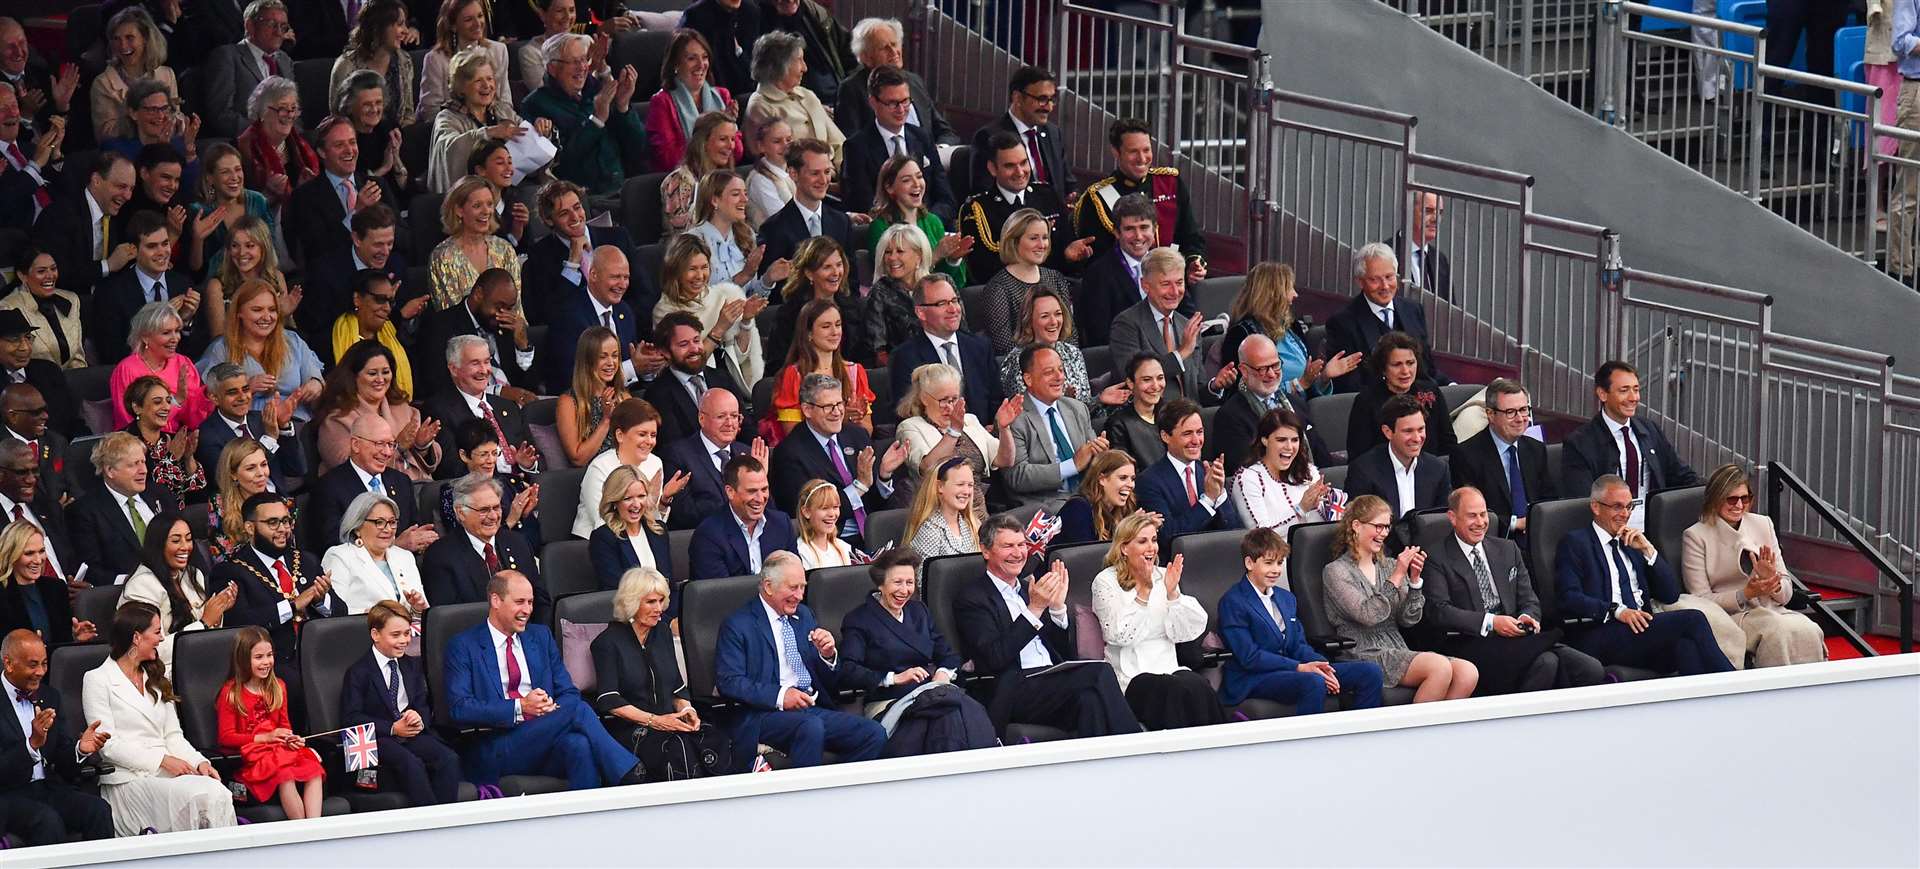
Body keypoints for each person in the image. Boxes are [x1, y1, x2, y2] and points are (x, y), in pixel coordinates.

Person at [443, 570, 646, 789]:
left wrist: (548, 708)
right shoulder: (464, 645)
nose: (527, 610)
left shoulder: (540, 637)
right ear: (495, 600)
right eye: (520, 602)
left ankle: (586, 820)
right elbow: (460, 709)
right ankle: (629, 775)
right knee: (579, 711)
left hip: (544, 737)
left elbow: (568, 692)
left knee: (579, 745)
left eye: (530, 602)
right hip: (497, 745)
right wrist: (521, 706)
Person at [952, 514, 1139, 739]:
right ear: (986, 550)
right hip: (1013, 687)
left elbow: (1062, 653)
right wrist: (1035, 609)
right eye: (1008, 546)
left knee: (1090, 702)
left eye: (1021, 545)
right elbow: (993, 658)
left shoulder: (1026, 590)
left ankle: (1098, 771)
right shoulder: (973, 597)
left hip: (1052, 680)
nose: (1018, 553)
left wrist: (1058, 609)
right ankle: (1138, 745)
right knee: (1100, 671)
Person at [714, 551, 886, 769]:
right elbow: (729, 681)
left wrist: (828, 656)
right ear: (768, 586)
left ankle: (835, 795)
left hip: (810, 708)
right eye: (793, 587)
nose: (800, 595)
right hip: (764, 714)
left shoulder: (804, 615)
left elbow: (831, 680)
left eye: (803, 587)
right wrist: (781, 695)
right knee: (810, 726)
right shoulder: (738, 624)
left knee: (873, 734)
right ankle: (804, 802)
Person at [1424, 487, 1605, 694]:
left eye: (1483, 515)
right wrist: (1492, 622)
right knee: (1547, 663)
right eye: (1472, 516)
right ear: (1452, 518)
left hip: (1517, 637)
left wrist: (1527, 616)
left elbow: (1529, 599)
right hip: (1472, 642)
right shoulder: (1436, 556)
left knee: (1590, 669)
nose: (1481, 522)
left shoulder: (1508, 549)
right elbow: (1439, 611)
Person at [1554, 476, 1736, 676]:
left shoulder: (1632, 544)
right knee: (1693, 619)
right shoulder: (1575, 543)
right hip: (1602, 632)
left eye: (1629, 507)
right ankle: (1735, 683)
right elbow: (1568, 598)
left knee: (1686, 648)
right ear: (1596, 507)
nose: (1625, 514)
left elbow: (1670, 594)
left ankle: (1703, 705)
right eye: (1617, 507)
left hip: (1641, 630)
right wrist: (1616, 611)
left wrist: (1649, 551)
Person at [82, 601, 236, 835]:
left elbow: (173, 736)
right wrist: (162, 760)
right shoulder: (96, 679)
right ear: (136, 637)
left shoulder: (154, 676)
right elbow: (109, 747)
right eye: (156, 632)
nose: (162, 638)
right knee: (200, 796)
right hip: (128, 780)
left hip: (168, 773)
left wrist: (199, 762)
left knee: (217, 791)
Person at [1323, 494, 1479, 702]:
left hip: (1396, 646)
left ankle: (1437, 732)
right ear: (1357, 526)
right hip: (1361, 650)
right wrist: (1397, 576)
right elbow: (1368, 615)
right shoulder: (1336, 571)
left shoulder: (1389, 565)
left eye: (1387, 527)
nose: (1383, 533)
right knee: (1439, 667)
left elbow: (1408, 619)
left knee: (1467, 672)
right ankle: (1417, 733)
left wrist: (1414, 582)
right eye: (1378, 526)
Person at [1217, 528, 1385, 715]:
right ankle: (1311, 743)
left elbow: (1298, 645)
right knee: (1313, 681)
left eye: (1279, 563)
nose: (1276, 570)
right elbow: (1250, 657)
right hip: (1253, 677)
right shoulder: (1233, 601)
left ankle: (1358, 739)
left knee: (1370, 672)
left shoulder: (1286, 598)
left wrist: (1323, 666)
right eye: (1268, 563)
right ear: (1249, 563)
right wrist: (1299, 667)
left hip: (1292, 670)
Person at [1680, 464, 1826, 668]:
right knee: (1779, 631)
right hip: (1732, 617)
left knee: (1808, 628)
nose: (1739, 505)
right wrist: (1746, 593)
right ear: (1715, 499)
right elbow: (1700, 599)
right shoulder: (1696, 536)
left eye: (1745, 499)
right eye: (1731, 499)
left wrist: (1772, 582)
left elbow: (1786, 593)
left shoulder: (1763, 524)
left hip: (1772, 608)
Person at [592, 567, 731, 778]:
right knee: (678, 747)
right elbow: (609, 700)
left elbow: (677, 687)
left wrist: (687, 712)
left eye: (661, 601)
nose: (659, 608)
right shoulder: (607, 642)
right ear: (632, 602)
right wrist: (656, 721)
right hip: (631, 730)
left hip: (670, 723)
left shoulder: (662, 632)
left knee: (714, 737)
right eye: (651, 602)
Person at [1090, 513, 1224, 730]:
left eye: (1153, 540)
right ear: (1124, 548)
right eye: (1142, 541)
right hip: (1131, 676)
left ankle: (1220, 748)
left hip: (1170, 668)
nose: (1151, 547)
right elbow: (1118, 635)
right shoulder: (1106, 581)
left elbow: (1184, 634)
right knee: (1172, 689)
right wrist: (1143, 592)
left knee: (1198, 685)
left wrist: (1173, 595)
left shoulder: (1164, 576)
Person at [209, 493, 343, 701]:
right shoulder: (231, 571)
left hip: (320, 654)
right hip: (273, 663)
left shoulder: (306, 560)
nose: (283, 529)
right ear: (250, 528)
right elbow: (240, 625)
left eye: (286, 521)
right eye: (273, 523)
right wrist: (292, 605)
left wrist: (320, 599)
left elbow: (341, 612)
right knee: (296, 684)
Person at [339, 600, 463, 806]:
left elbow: (422, 702)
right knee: (410, 763)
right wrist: (393, 728)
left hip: (410, 734)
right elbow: (351, 717)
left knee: (448, 758)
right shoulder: (359, 672)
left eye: (407, 633)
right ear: (375, 635)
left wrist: (418, 717)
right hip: (379, 738)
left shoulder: (411, 665)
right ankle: (428, 822)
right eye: (395, 635)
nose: (404, 641)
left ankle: (445, 818)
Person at [0, 629, 115, 845]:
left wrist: (80, 749)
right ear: (9, 663)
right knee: (47, 821)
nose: (41, 672)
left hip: (47, 788)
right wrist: (32, 745)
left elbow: (62, 761)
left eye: (44, 663)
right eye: (33, 665)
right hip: (7, 795)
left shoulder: (49, 696)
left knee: (98, 810)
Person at [767, 373, 903, 552]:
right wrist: (859, 486)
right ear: (807, 410)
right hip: (830, 543)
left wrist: (883, 476)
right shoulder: (790, 453)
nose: (838, 412)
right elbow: (807, 516)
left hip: (874, 537)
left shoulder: (856, 435)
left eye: (840, 404)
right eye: (828, 406)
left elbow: (873, 502)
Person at [1560, 360, 1700, 530]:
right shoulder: (1579, 442)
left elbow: (1681, 475)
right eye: (1624, 391)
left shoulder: (1649, 429)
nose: (1633, 398)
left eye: (1636, 389)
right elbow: (1582, 501)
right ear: (1603, 394)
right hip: (1611, 529)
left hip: (1655, 525)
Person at [216, 626, 325, 818]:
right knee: (285, 775)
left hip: (279, 750)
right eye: (259, 657)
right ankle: (301, 830)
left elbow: (285, 726)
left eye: (269, 655)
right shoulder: (231, 693)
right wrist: (265, 738)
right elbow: (226, 738)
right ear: (243, 659)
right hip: (252, 756)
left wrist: (290, 739)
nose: (266, 662)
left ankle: (314, 829)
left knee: (314, 770)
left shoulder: (279, 686)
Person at [522, 33, 644, 200]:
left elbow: (638, 148)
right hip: (581, 199)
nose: (582, 67)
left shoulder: (599, 91)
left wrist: (623, 106)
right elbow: (562, 164)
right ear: (552, 68)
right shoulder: (535, 105)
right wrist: (596, 120)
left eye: (584, 59)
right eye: (574, 62)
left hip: (620, 189)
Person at [1220, 262, 1357, 409]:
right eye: (1289, 288)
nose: (1295, 294)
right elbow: (1242, 392)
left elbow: (1307, 387)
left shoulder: (1293, 327)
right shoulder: (1241, 335)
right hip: (1265, 419)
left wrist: (1324, 377)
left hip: (1302, 411)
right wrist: (1299, 384)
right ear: (1274, 293)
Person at [1111, 247, 1234, 405]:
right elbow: (1134, 380)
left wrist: (1215, 385)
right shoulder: (1126, 325)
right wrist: (1181, 353)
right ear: (1145, 285)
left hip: (1190, 422)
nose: (1175, 291)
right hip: (1151, 421)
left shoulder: (1187, 326)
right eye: (1166, 284)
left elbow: (1197, 391)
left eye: (1179, 282)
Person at [961, 133, 1086, 288]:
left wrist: (1068, 256)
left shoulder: (1047, 194)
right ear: (993, 168)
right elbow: (984, 271)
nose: (1020, 172)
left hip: (1054, 288)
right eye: (1010, 166)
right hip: (1009, 295)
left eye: (1023, 163)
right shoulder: (978, 210)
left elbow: (1065, 251)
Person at [1074, 119, 1206, 265]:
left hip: (1174, 280)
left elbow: (1191, 237)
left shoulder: (1170, 182)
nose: (1142, 158)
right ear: (1116, 152)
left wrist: (1194, 262)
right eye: (1133, 152)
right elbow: (1098, 260)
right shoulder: (1097, 198)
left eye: (1146, 150)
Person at [894, 362, 1018, 517]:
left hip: (978, 513)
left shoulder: (969, 421)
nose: (950, 407)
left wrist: (1004, 428)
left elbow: (1005, 460)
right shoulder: (910, 427)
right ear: (924, 398)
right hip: (938, 514)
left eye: (954, 399)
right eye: (944, 400)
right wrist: (953, 431)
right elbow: (928, 468)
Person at [423, 474, 549, 622]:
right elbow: (451, 618)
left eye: (496, 508)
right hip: (476, 640)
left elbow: (540, 600)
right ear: (461, 513)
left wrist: (537, 636)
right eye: (484, 510)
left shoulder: (517, 542)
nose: (493, 516)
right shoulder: (440, 556)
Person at [198, 280, 328, 423]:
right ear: (239, 312)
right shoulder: (222, 348)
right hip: (249, 429)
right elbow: (208, 399)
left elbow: (316, 380)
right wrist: (247, 388)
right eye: (257, 310)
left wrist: (316, 385)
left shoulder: (293, 341)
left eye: (272, 310)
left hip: (297, 424)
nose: (267, 317)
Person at [305, 414, 435, 555]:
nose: (387, 452)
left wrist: (422, 540)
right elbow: (332, 546)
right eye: (379, 444)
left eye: (391, 445)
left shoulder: (401, 481)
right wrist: (394, 547)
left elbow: (413, 531)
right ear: (356, 445)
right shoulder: (329, 487)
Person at [651, 233, 766, 393]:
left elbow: (740, 358)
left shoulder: (723, 296)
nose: (700, 276)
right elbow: (686, 363)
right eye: (692, 269)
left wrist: (746, 320)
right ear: (675, 271)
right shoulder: (665, 311)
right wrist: (719, 328)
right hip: (692, 387)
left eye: (704, 267)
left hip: (728, 381)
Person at [842, 66, 957, 225]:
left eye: (905, 101)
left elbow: (946, 199)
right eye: (892, 103)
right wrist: (906, 225)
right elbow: (863, 204)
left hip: (930, 226)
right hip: (890, 233)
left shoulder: (922, 138)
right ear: (873, 102)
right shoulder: (856, 147)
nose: (901, 110)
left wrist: (926, 223)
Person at [1324, 243, 1447, 392]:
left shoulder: (1413, 310)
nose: (1385, 286)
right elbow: (1350, 386)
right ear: (1360, 282)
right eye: (1375, 280)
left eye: (1389, 277)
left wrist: (1452, 387)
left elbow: (1428, 368)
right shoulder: (1342, 323)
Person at [119, 512, 232, 672]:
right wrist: (205, 623)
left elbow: (207, 628)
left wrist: (218, 611)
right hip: (158, 673)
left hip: (199, 662)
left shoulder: (193, 574)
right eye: (176, 540)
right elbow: (145, 649)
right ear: (158, 544)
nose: (185, 547)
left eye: (188, 538)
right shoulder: (141, 586)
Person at [315, 340, 440, 481]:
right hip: (371, 498)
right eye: (372, 373)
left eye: (386, 372)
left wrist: (421, 445)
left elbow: (432, 463)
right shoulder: (337, 420)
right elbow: (351, 471)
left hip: (418, 488)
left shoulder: (403, 409)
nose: (380, 379)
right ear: (353, 377)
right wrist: (397, 448)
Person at [1448, 378, 1552, 545]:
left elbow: (1548, 499)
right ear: (1491, 414)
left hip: (1536, 538)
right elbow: (1469, 512)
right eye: (1510, 412)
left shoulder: (1536, 449)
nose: (1520, 418)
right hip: (1492, 541)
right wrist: (1514, 524)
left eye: (1524, 410)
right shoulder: (1466, 455)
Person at [286, 115, 398, 267]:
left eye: (352, 142)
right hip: (335, 281)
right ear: (322, 152)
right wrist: (356, 212)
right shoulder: (305, 196)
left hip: (380, 273)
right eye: (339, 145)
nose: (349, 150)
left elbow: (405, 239)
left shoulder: (376, 185)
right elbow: (318, 251)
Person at [1003, 343, 1106, 507]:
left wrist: (1100, 455)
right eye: (1049, 372)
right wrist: (1072, 465)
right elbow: (1017, 476)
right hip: (1045, 507)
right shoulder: (1014, 418)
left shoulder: (1077, 408)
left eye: (1061, 370)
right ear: (1028, 379)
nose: (1059, 377)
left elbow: (1092, 462)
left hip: (1088, 498)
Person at [521, 180, 635, 327]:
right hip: (577, 337)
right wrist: (572, 264)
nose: (575, 217)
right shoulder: (539, 257)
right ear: (548, 220)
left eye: (577, 208)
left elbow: (642, 295)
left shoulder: (618, 238)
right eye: (564, 214)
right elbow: (547, 313)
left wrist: (623, 324)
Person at [1209, 334, 1330, 471]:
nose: (1272, 374)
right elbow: (1243, 469)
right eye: (1263, 369)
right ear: (1244, 370)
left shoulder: (1297, 404)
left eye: (1276, 365)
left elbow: (1322, 457)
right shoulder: (1230, 417)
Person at [888, 275, 1001, 419]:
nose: (953, 309)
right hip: (934, 438)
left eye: (955, 301)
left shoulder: (980, 347)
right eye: (942, 303)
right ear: (921, 312)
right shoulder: (905, 357)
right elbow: (908, 412)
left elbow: (996, 399)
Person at [834, 17, 958, 147]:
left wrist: (939, 150)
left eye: (894, 44)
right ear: (866, 57)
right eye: (884, 48)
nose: (894, 52)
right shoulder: (851, 90)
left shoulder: (914, 81)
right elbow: (853, 142)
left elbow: (945, 132)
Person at [418, 269, 540, 400]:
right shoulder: (441, 326)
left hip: (514, 412)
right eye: (499, 306)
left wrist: (523, 347)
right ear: (478, 294)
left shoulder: (507, 326)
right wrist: (498, 392)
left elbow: (529, 387)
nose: (503, 313)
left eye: (509, 308)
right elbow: (440, 385)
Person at [1134, 398, 1240, 548]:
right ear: (1165, 436)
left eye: (1200, 432)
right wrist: (1208, 500)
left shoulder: (1208, 472)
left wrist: (1220, 495)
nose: (1196, 440)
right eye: (1187, 434)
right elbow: (1168, 535)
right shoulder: (1149, 481)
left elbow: (1234, 531)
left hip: (1217, 560)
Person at [67, 433, 167, 583]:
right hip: (127, 595)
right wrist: (130, 581)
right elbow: (91, 570)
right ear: (110, 471)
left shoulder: (161, 494)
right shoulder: (85, 512)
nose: (143, 470)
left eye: (143, 462)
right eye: (133, 464)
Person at [32, 152, 134, 299]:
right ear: (96, 180)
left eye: (131, 189)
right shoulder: (61, 215)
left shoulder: (113, 216)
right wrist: (108, 265)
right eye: (121, 186)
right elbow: (57, 274)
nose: (128, 196)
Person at [658, 389, 761, 533]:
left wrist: (761, 479)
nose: (730, 423)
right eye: (721, 416)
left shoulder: (749, 454)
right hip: (706, 539)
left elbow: (768, 510)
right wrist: (741, 501)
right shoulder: (677, 455)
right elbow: (685, 515)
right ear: (701, 418)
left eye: (734, 416)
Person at [769, 302, 876, 439]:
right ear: (808, 334)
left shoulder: (855, 372)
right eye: (826, 326)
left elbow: (868, 432)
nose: (835, 332)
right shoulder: (794, 375)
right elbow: (792, 435)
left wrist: (857, 419)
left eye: (838, 325)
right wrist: (841, 419)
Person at [643, 311, 750, 448]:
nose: (694, 348)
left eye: (696, 340)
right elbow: (674, 446)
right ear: (665, 352)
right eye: (683, 344)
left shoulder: (722, 378)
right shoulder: (657, 394)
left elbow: (747, 427)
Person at [759, 138, 862, 278]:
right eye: (815, 173)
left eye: (826, 172)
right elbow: (773, 290)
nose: (823, 180)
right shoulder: (774, 228)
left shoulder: (842, 222)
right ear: (793, 174)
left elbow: (851, 281)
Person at [863, 155, 970, 287]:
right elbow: (891, 277)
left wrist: (952, 259)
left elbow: (945, 282)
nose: (916, 184)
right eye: (906, 180)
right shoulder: (880, 227)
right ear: (889, 188)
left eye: (919, 176)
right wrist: (935, 255)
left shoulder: (933, 221)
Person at [196, 363, 303, 494]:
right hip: (243, 509)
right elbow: (229, 481)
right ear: (215, 398)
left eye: (246, 389)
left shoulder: (261, 420)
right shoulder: (207, 435)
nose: (242, 397)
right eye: (232, 392)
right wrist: (269, 439)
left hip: (281, 501)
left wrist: (283, 426)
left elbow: (294, 469)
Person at [1346, 332, 1455, 460]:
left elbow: (1448, 442)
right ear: (1383, 368)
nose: (1405, 371)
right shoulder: (1366, 401)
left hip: (1431, 472)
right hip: (1382, 474)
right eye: (1397, 365)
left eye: (1410, 363)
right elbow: (1359, 455)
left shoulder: (1431, 390)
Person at [435, 419, 543, 549]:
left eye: (494, 453)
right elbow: (463, 542)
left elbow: (534, 542)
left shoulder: (509, 483)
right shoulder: (452, 492)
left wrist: (524, 516)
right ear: (464, 455)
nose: (491, 460)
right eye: (483, 454)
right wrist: (511, 521)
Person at [646, 29, 740, 177]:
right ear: (675, 64)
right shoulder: (662, 102)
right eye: (692, 58)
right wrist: (715, 133)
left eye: (705, 57)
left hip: (720, 179)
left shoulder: (722, 95)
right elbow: (668, 158)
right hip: (684, 181)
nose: (701, 65)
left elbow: (737, 152)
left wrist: (729, 128)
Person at [573, 398, 670, 540]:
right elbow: (602, 523)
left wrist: (662, 502)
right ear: (620, 435)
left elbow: (655, 522)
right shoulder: (600, 467)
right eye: (642, 434)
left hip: (640, 539)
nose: (649, 441)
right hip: (594, 544)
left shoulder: (655, 463)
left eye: (653, 435)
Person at [743, 31, 844, 166]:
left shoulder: (807, 95)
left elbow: (839, 143)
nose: (805, 68)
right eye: (799, 60)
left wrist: (845, 174)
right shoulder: (760, 106)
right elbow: (776, 162)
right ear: (779, 65)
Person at [1230, 408, 1335, 538]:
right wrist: (1300, 509)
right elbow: (1261, 536)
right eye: (1281, 440)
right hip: (1273, 557)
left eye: (1295, 440)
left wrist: (1327, 507)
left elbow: (1322, 527)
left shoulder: (1309, 471)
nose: (1289, 447)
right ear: (1265, 440)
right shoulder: (1248, 479)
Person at [689, 455, 797, 580]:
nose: (760, 498)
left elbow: (794, 578)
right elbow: (718, 593)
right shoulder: (709, 535)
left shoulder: (782, 523)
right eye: (752, 491)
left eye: (764, 489)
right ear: (730, 492)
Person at [322, 492, 429, 615]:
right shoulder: (340, 556)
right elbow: (333, 611)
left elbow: (423, 613)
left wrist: (417, 607)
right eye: (379, 522)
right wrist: (369, 615)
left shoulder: (405, 557)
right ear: (358, 526)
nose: (388, 529)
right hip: (361, 631)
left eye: (392, 522)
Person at [183, 144, 276, 284]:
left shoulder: (257, 201)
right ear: (210, 178)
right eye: (225, 172)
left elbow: (271, 249)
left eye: (238, 169)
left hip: (258, 280)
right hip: (219, 285)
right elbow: (196, 270)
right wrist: (198, 239)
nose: (234, 177)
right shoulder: (199, 211)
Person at [691, 171, 792, 300]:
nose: (745, 200)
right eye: (736, 194)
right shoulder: (692, 242)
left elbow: (750, 298)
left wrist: (768, 278)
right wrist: (744, 275)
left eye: (745, 193)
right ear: (715, 200)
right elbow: (699, 301)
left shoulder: (747, 235)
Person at [202, 0, 294, 139]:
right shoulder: (227, 56)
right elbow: (221, 114)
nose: (278, 32)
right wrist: (264, 133)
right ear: (249, 25)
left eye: (283, 27)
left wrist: (293, 135)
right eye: (271, 25)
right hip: (249, 142)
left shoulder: (284, 60)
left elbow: (294, 110)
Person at [429, 177, 523, 312]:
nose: (486, 211)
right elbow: (450, 315)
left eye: (490, 204)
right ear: (459, 210)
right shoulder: (443, 257)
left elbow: (516, 308)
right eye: (477, 206)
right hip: (463, 332)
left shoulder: (505, 249)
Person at [970, 65, 1068, 194]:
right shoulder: (988, 136)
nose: (1049, 108)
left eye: (1052, 99)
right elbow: (984, 192)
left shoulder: (1053, 133)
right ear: (1017, 98)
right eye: (1042, 99)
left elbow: (1068, 184)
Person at [417, 0, 514, 123]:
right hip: (452, 129)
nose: (477, 24)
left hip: (494, 125)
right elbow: (430, 112)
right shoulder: (435, 59)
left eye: (480, 16)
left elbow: (504, 101)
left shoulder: (499, 51)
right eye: (469, 20)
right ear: (453, 25)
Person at [119, 375, 207, 510]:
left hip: (183, 519)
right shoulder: (123, 443)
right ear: (137, 407)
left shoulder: (175, 440)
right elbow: (148, 493)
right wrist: (171, 458)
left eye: (168, 401)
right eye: (157, 402)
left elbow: (199, 496)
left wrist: (189, 457)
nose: (166, 407)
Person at [90, 7, 178, 141]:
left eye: (129, 38)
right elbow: (104, 134)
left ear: (145, 39)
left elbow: (176, 117)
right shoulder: (103, 83)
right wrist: (144, 119)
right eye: (116, 39)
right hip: (124, 154)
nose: (123, 46)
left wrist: (178, 122)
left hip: (164, 147)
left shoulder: (167, 75)